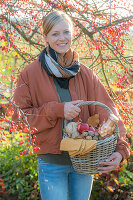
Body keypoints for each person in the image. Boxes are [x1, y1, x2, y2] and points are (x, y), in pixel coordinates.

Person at [13, 11, 130, 200]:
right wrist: (58, 110)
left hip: (85, 162)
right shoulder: (29, 74)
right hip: (52, 165)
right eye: (55, 34)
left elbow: (109, 113)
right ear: (45, 37)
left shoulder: (85, 73)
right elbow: (19, 119)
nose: (62, 38)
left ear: (73, 34)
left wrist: (120, 151)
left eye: (66, 32)